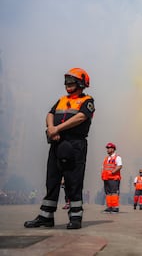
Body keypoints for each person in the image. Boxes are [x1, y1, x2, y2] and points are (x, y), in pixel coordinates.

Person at [24, 68, 95, 230]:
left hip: (75, 145)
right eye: (66, 82)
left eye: (71, 82)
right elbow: (50, 114)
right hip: (56, 143)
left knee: (73, 181)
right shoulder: (61, 100)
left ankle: (75, 217)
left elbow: (81, 117)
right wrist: (51, 128)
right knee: (52, 181)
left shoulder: (87, 100)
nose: (67, 85)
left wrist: (58, 129)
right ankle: (45, 217)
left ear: (81, 83)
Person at [101, 142, 123, 213]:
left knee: (114, 193)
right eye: (107, 148)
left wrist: (113, 172)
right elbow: (104, 167)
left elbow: (119, 166)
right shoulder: (106, 158)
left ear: (113, 149)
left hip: (114, 178)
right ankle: (109, 207)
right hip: (106, 178)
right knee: (108, 193)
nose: (107, 149)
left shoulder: (117, 157)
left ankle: (115, 207)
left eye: (109, 148)